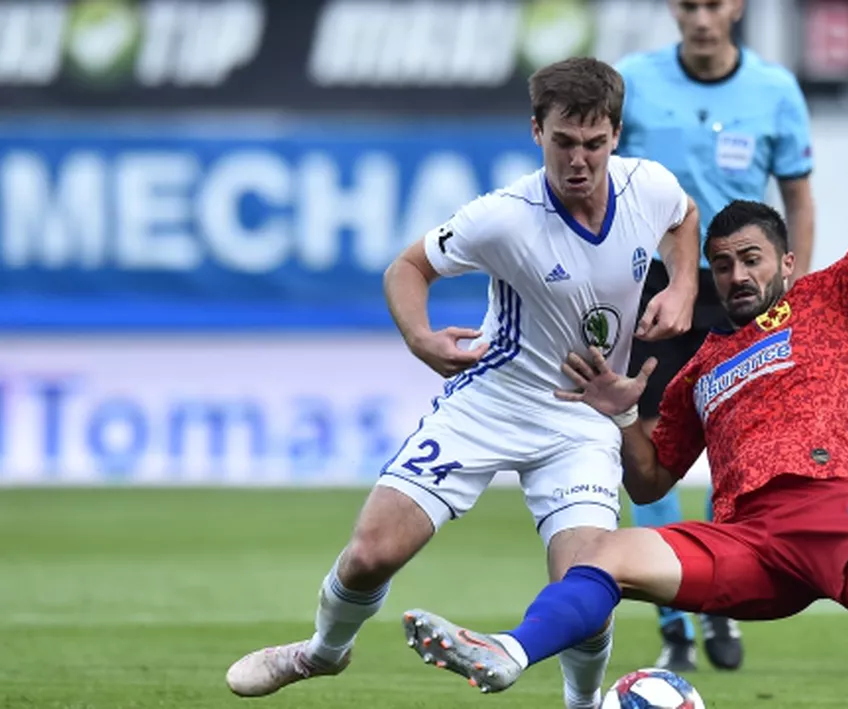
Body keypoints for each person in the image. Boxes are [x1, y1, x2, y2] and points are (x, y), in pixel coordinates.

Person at [398, 40, 848, 709]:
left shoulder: (828, 299)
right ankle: (508, 653)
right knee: (597, 554)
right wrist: (622, 414)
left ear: (787, 263)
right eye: (723, 263)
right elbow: (651, 480)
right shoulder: (700, 367)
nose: (736, 275)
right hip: (745, 541)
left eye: (751, 259)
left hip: (828, 511)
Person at [223, 56, 702, 709]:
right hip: (492, 401)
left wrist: (683, 283)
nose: (578, 160)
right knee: (370, 554)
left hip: (583, 417)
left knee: (586, 587)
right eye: (563, 141)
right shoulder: (503, 217)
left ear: (616, 135)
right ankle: (321, 652)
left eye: (594, 143)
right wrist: (420, 337)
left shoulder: (650, 185)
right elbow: (406, 268)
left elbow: (684, 217)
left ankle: (584, 704)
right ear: (536, 131)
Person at [615, 0, 816, 672]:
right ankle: (674, 619)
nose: (702, 17)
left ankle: (718, 595)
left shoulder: (774, 89)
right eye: (689, 4)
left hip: (741, 285)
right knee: (649, 449)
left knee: (740, 447)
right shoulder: (633, 81)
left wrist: (796, 288)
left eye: (714, 3)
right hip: (655, 283)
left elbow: (798, 196)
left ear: (737, 7)